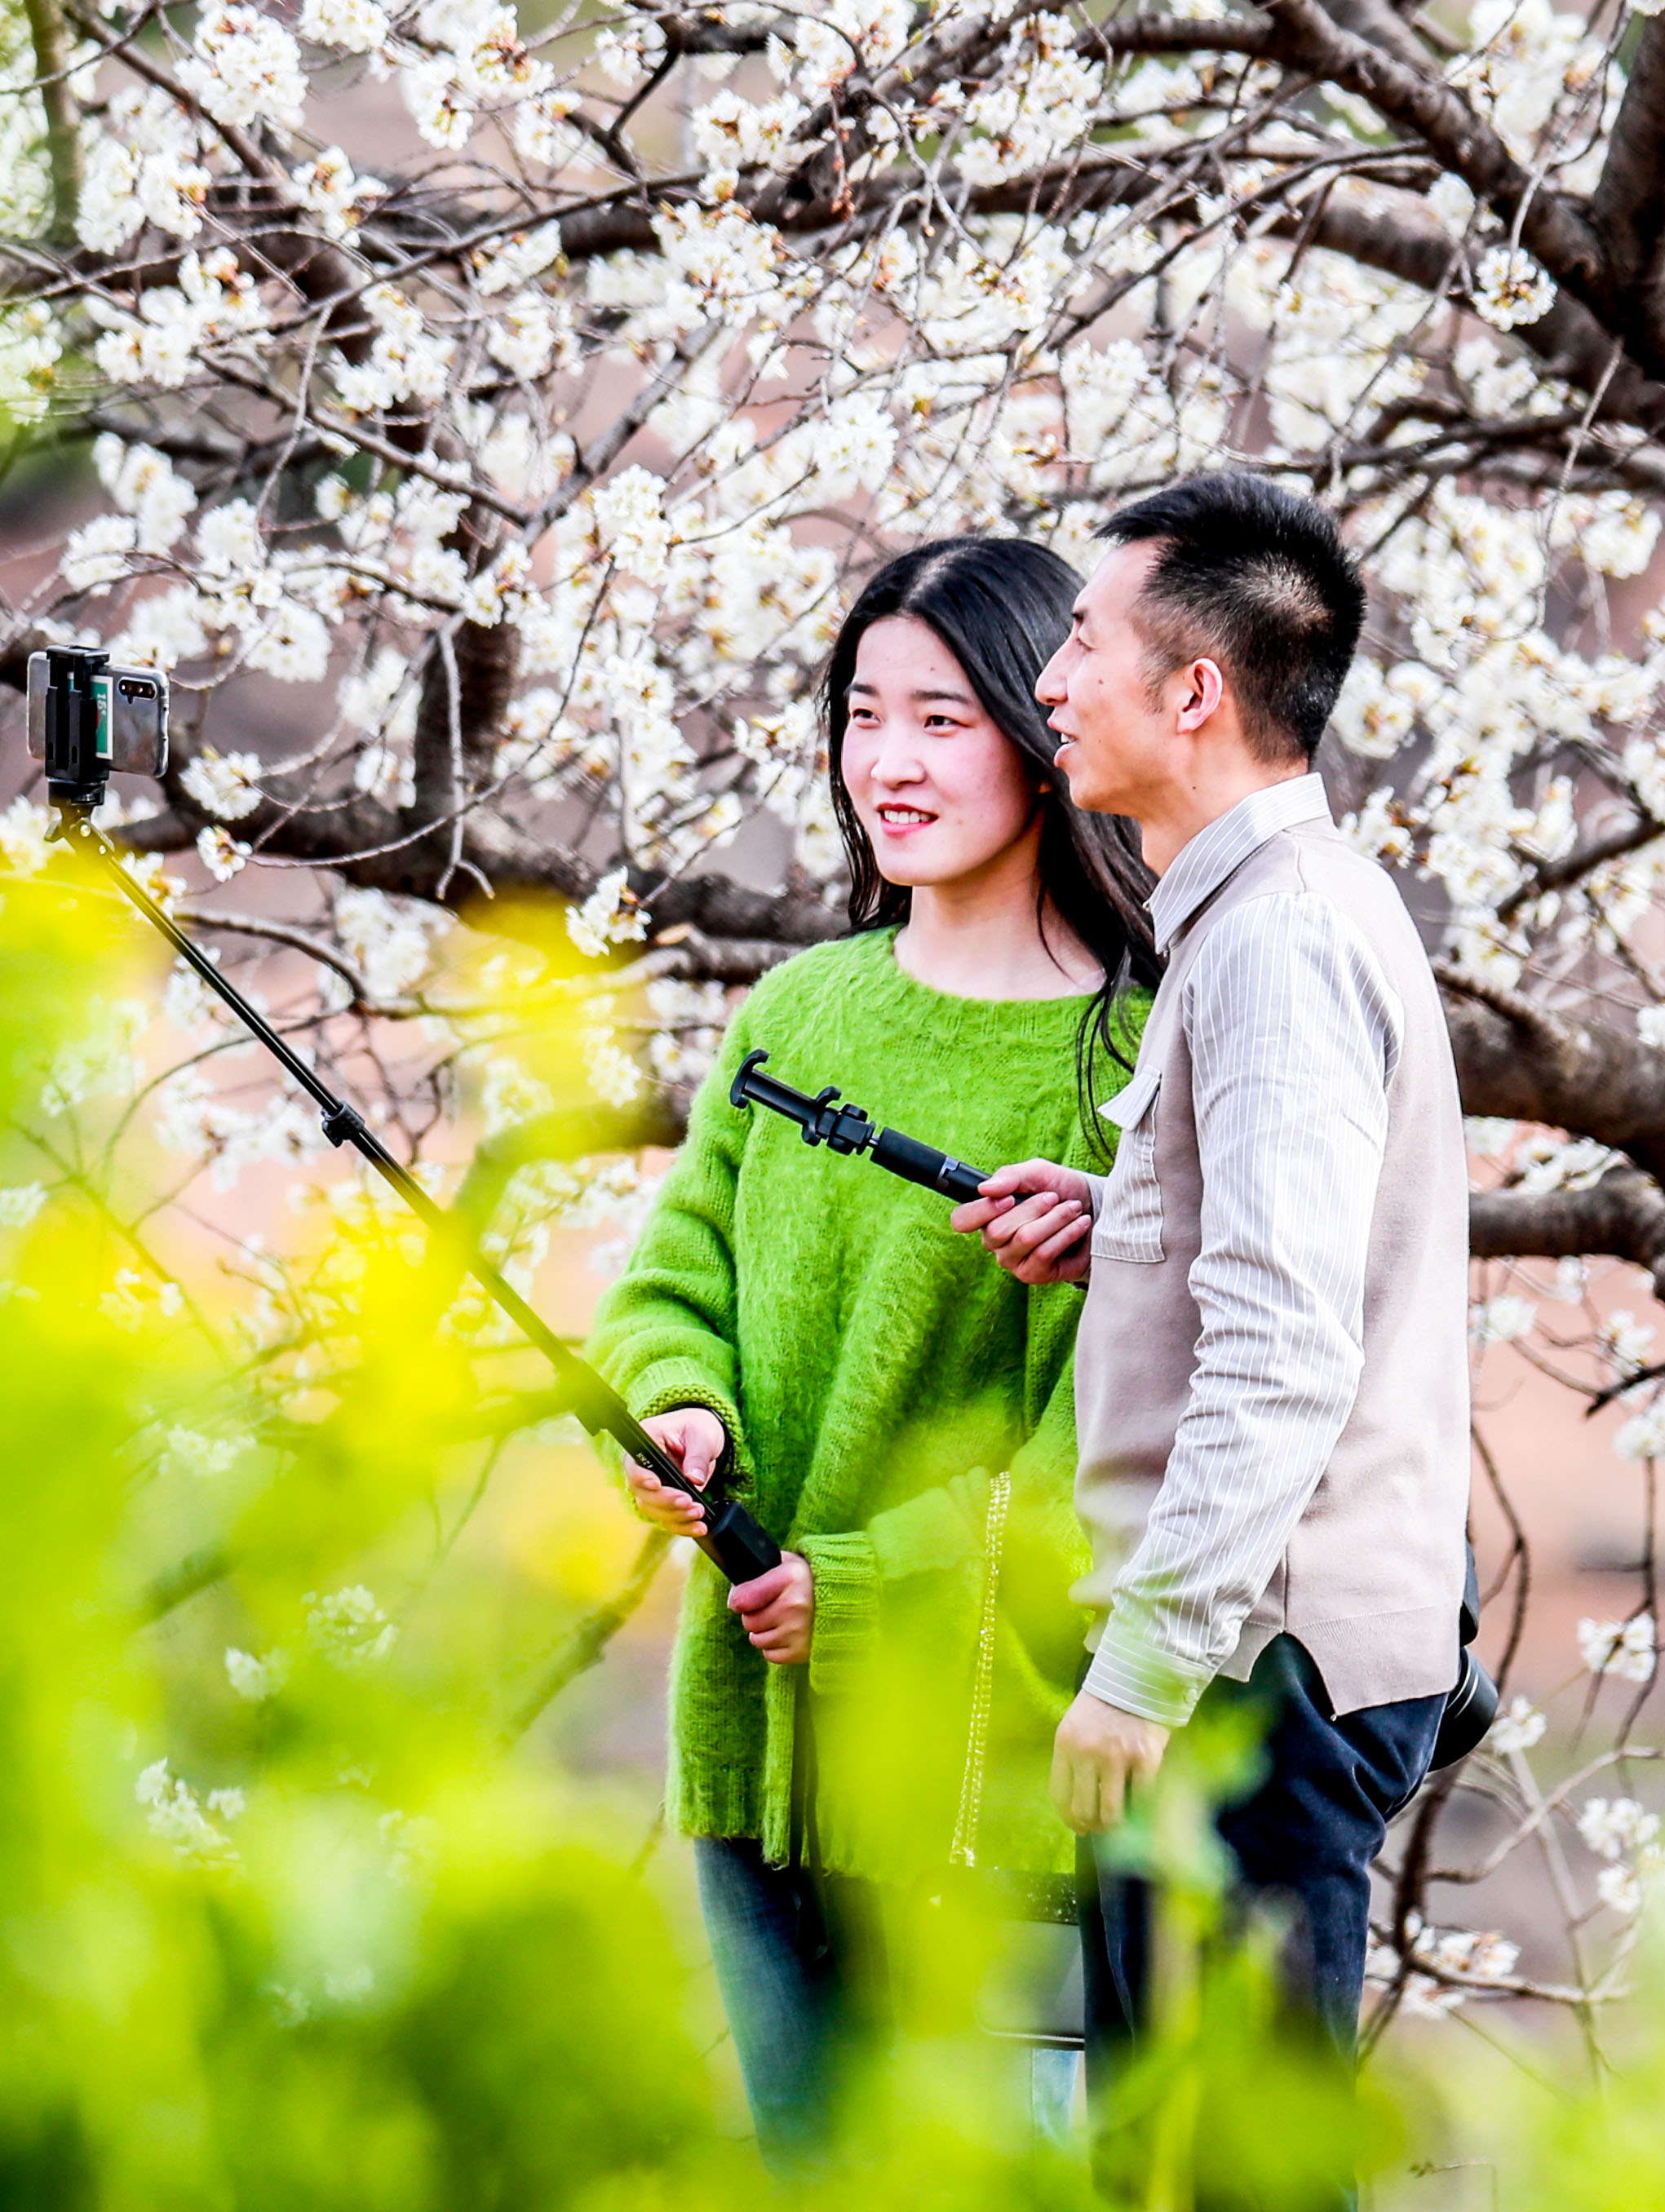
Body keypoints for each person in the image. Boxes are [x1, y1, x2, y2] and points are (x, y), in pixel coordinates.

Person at [588, 537, 1148, 2173]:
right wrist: (676, 1409)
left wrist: (868, 1586)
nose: (888, 765)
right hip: (753, 1739)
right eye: (863, 715)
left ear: (1050, 736)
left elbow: (1116, 1455)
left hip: (975, 1764)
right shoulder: (797, 1015)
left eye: (945, 720)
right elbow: (673, 1276)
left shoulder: (1132, 1057)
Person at [962, 471, 1473, 2073]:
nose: (1049, 682)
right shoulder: (1265, 916)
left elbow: (1285, 1353)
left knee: (1217, 2167)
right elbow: (1281, 1252)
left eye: (1085, 642)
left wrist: (1142, 1668)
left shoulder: (1277, 945)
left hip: (1255, 1669)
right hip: (1256, 1657)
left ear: (1195, 690)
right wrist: (1128, 1221)